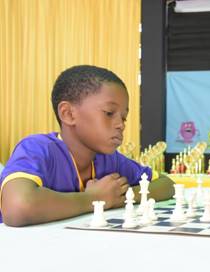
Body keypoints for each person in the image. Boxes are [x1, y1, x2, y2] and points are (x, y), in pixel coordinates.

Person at [0, 65, 175, 226]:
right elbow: (18, 206)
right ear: (68, 114)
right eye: (109, 113)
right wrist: (95, 198)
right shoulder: (38, 149)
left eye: (123, 117)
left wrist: (122, 196)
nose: (120, 125)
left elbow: (167, 185)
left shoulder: (110, 159)